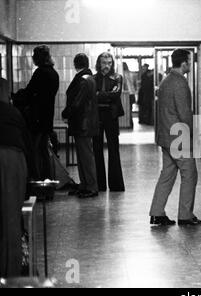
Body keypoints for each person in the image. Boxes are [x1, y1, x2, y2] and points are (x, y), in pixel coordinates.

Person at [149, 49, 201, 226]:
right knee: (190, 174)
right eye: (190, 61)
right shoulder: (180, 83)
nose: (191, 64)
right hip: (178, 137)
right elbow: (184, 114)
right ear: (184, 63)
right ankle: (185, 215)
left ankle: (157, 212)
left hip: (165, 136)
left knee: (167, 174)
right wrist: (195, 136)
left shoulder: (166, 81)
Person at [0, 79, 32, 278]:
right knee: (12, 216)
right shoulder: (13, 113)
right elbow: (26, 144)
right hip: (13, 161)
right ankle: (11, 270)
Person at [62, 53, 99, 199]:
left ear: (75, 64)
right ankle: (85, 185)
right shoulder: (88, 78)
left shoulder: (83, 80)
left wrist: (66, 113)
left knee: (86, 157)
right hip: (84, 123)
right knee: (84, 156)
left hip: (82, 123)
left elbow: (77, 102)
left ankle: (91, 186)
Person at [23, 45, 59, 180]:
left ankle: (38, 181)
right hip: (47, 117)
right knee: (44, 151)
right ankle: (47, 182)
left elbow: (29, 92)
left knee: (34, 150)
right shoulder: (53, 73)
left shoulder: (40, 72)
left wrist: (14, 97)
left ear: (38, 57)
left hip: (37, 118)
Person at [93, 52, 125, 192]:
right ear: (99, 63)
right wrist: (106, 96)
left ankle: (116, 185)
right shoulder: (93, 78)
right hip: (97, 115)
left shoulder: (118, 77)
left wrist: (99, 95)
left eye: (109, 63)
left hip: (111, 116)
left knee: (113, 149)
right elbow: (94, 97)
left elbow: (116, 94)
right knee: (97, 149)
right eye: (104, 63)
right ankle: (99, 185)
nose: (107, 66)